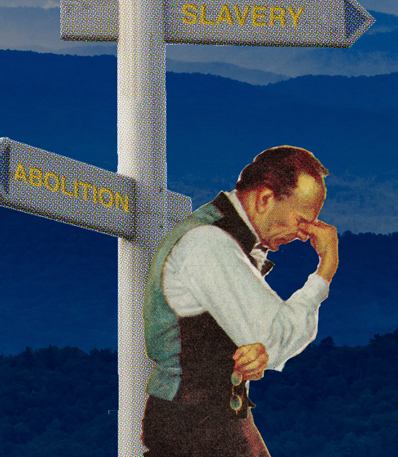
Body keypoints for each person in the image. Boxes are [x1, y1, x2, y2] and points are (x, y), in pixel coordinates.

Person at [142, 146, 339, 457]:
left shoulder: (219, 237)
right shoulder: (209, 242)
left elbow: (257, 343)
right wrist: (325, 269)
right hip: (195, 425)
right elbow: (275, 337)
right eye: (302, 220)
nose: (305, 234)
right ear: (264, 199)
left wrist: (255, 353)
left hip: (214, 418)